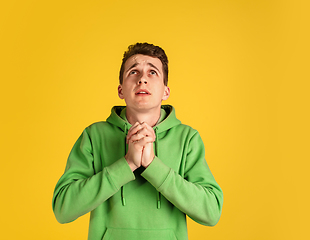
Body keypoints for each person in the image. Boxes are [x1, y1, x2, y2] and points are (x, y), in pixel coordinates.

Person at [52, 42, 223, 240]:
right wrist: (127, 164)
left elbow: (211, 212)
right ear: (121, 90)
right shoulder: (93, 135)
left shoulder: (187, 139)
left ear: (165, 91)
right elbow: (63, 209)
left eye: (152, 73)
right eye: (134, 72)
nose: (142, 79)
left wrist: (153, 166)